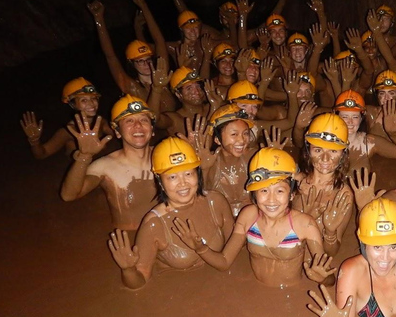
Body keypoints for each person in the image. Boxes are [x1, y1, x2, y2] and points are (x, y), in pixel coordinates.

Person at [171, 148, 334, 288]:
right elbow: (224, 262)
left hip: (292, 295)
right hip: (257, 292)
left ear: (291, 194)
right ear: (254, 194)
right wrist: (200, 248)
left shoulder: (305, 225)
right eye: (263, 191)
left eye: (279, 191)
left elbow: (330, 278)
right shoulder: (248, 216)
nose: (271, 199)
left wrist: (323, 278)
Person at [107, 137, 234, 289]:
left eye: (188, 174)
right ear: (160, 181)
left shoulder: (216, 201)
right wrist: (128, 270)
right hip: (178, 293)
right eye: (172, 177)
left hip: (219, 287)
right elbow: (139, 282)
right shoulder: (154, 224)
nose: (183, 183)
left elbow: (235, 247)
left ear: (197, 174)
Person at [60, 95, 157, 233]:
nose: (138, 126)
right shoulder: (105, 166)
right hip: (128, 242)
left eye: (144, 120)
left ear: (152, 130)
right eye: (129, 121)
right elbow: (68, 195)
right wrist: (84, 156)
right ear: (117, 131)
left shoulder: (168, 155)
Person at [292, 114, 355, 256]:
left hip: (312, 261)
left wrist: (330, 232)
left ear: (343, 153)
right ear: (308, 150)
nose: (325, 158)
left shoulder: (343, 196)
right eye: (318, 150)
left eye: (333, 151)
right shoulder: (293, 181)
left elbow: (330, 253)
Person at [21, 78, 112, 159]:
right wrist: (34, 141)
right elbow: (42, 154)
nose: (91, 103)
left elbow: (120, 135)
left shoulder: (101, 122)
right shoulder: (68, 131)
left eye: (93, 98)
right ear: (73, 105)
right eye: (83, 100)